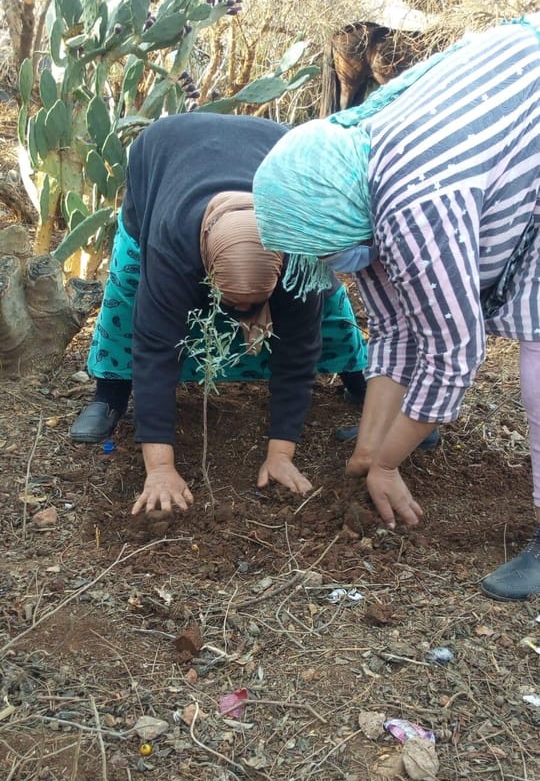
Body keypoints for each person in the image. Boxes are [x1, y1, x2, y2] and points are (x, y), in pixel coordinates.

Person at [252, 16, 540, 603]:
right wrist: (368, 447)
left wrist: (386, 466)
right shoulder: (354, 176)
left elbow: (454, 352)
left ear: (334, 216)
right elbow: (391, 326)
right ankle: (404, 431)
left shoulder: (413, 206)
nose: (331, 264)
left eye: (323, 248)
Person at [70, 112, 368, 513]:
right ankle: (110, 392)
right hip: (166, 153)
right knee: (127, 291)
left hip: (272, 151)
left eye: (254, 303)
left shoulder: (299, 248)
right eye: (231, 303)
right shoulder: (170, 244)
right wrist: (159, 468)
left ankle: (360, 381)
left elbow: (297, 354)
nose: (241, 315)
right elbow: (155, 349)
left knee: (328, 304)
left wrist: (281, 454)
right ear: (206, 272)